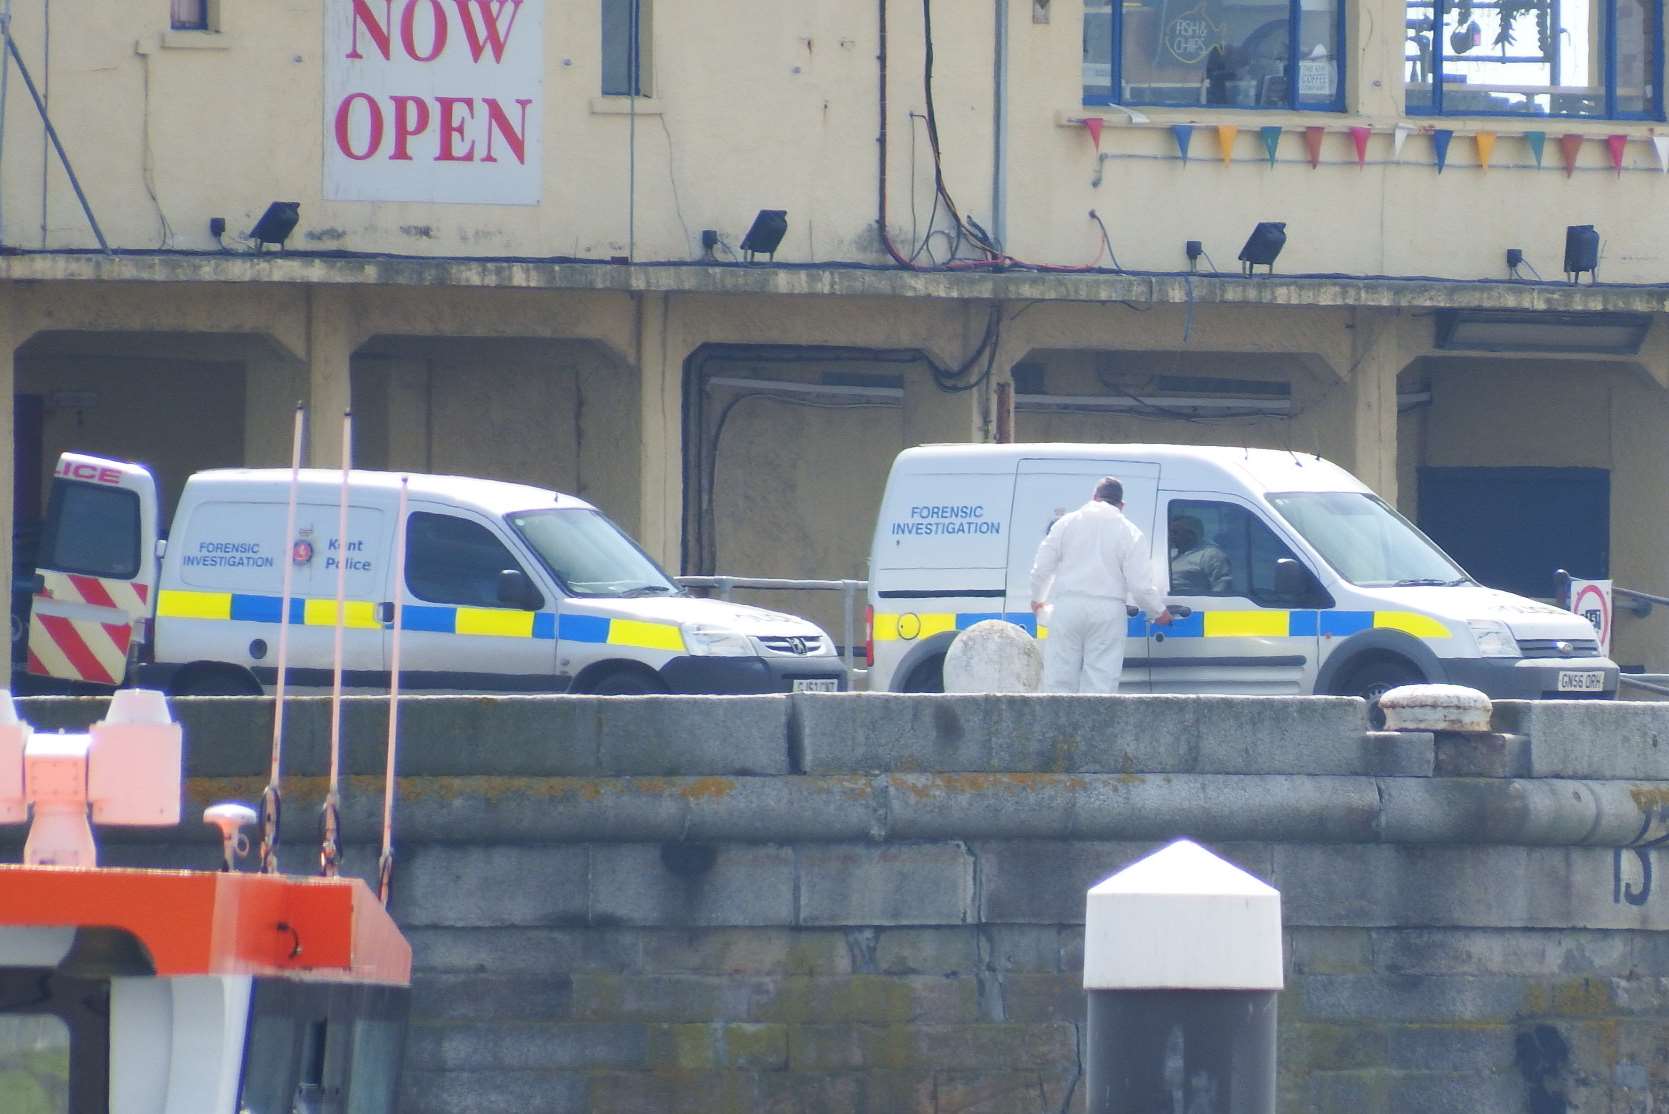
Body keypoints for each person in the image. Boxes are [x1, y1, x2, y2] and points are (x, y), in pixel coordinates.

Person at [1029, 476, 1172, 694]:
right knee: (1100, 683)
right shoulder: (1130, 532)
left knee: (1059, 680)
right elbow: (1141, 586)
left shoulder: (1066, 524)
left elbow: (1042, 568)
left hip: (1068, 607)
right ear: (1122, 505)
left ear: (1094, 497)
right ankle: (1094, 728)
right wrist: (1159, 612)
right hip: (1108, 611)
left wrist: (1038, 599)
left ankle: (1058, 727)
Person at [1169, 514, 1233, 594]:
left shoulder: (1211, 555)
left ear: (1190, 535)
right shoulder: (1171, 553)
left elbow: (1222, 587)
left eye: (1175, 533)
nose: (1171, 536)